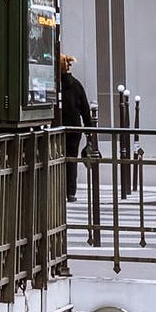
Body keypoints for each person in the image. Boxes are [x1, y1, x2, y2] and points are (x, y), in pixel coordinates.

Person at [59, 54, 96, 201]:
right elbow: (85, 109)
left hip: (57, 128)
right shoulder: (76, 84)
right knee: (71, 159)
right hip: (74, 129)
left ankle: (58, 188)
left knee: (57, 159)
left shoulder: (54, 86)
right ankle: (70, 191)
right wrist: (89, 131)